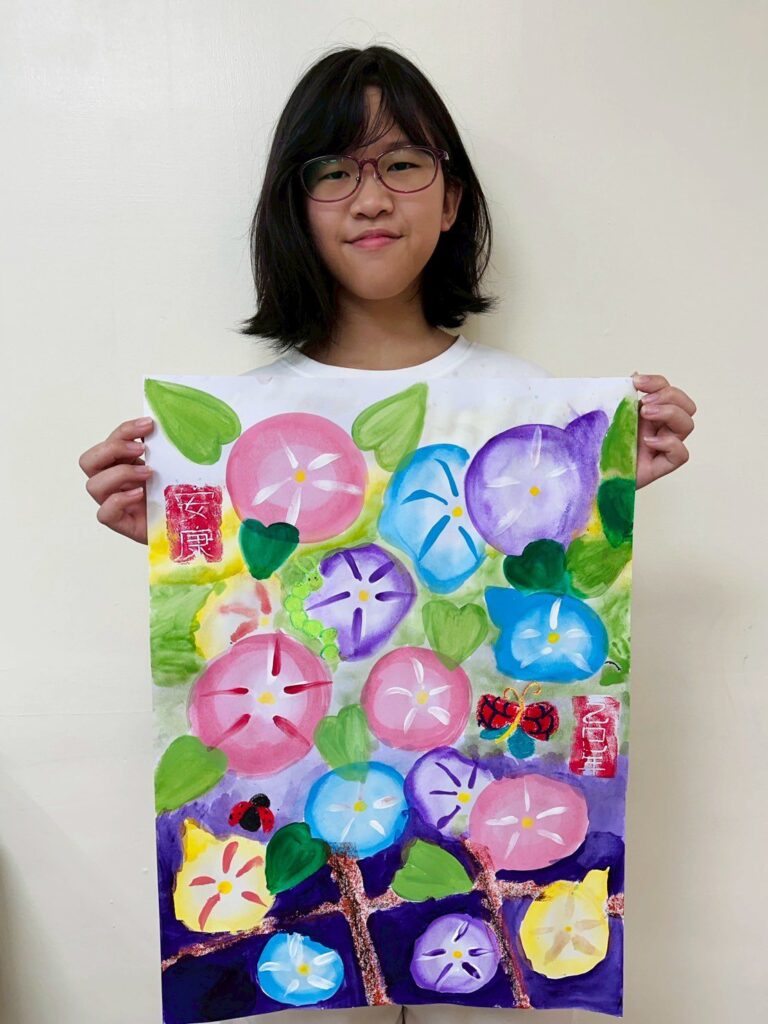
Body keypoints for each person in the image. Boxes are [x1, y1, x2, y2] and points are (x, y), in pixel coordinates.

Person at [76, 45, 696, 1024]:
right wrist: (167, 535)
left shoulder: (527, 409)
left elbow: (534, 596)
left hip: (478, 850)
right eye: (333, 170)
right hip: (301, 866)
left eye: (402, 163)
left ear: (451, 199)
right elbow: (243, 619)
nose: (370, 197)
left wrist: (607, 483)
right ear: (295, 206)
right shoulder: (237, 435)